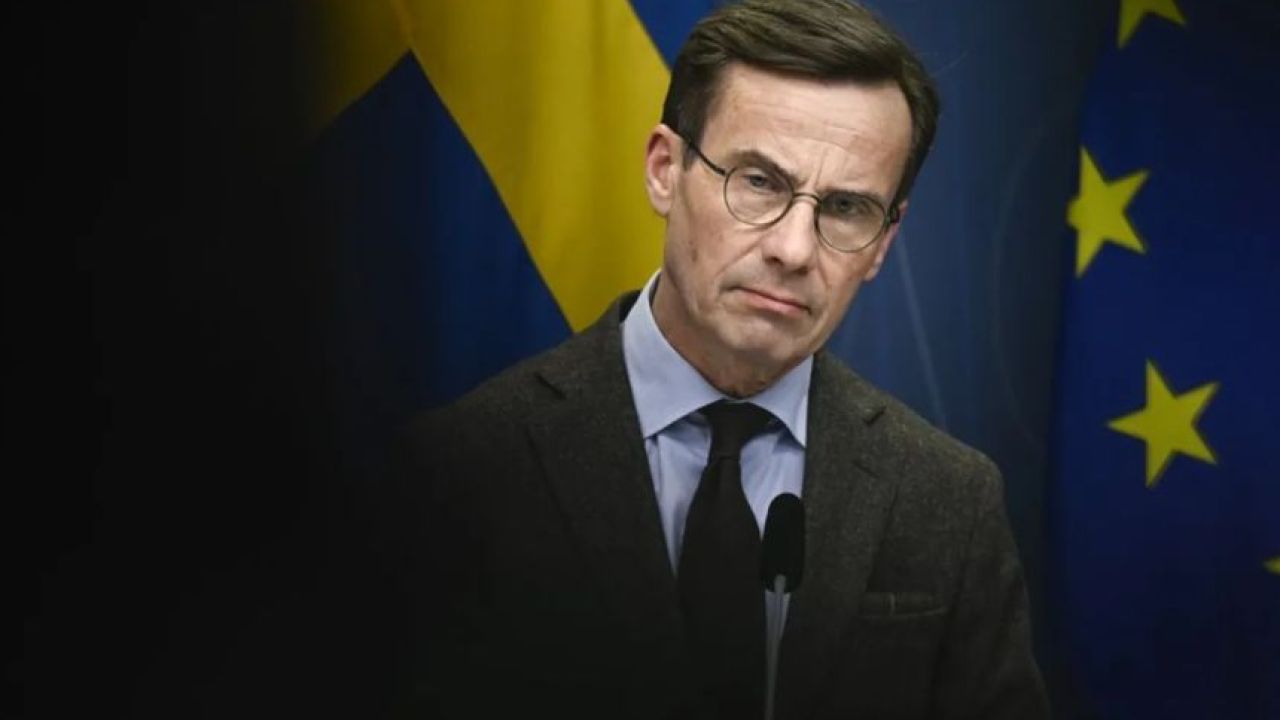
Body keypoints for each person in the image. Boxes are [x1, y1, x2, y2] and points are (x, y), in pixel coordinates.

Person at [387, 1, 1050, 718]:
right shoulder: (462, 469)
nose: (793, 250)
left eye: (845, 209)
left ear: (884, 242)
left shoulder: (951, 499)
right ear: (664, 170)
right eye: (759, 182)